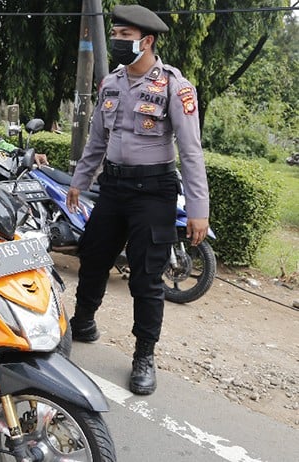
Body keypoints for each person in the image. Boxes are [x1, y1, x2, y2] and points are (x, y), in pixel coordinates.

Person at [67, 4, 210, 395]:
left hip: (154, 192)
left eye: (124, 36)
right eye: (115, 34)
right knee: (93, 256)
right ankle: (82, 322)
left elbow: (191, 151)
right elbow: (97, 139)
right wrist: (80, 181)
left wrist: (199, 210)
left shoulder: (175, 86)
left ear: (146, 41)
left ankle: (144, 355)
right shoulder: (110, 83)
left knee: (146, 277)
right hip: (113, 188)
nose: (116, 42)